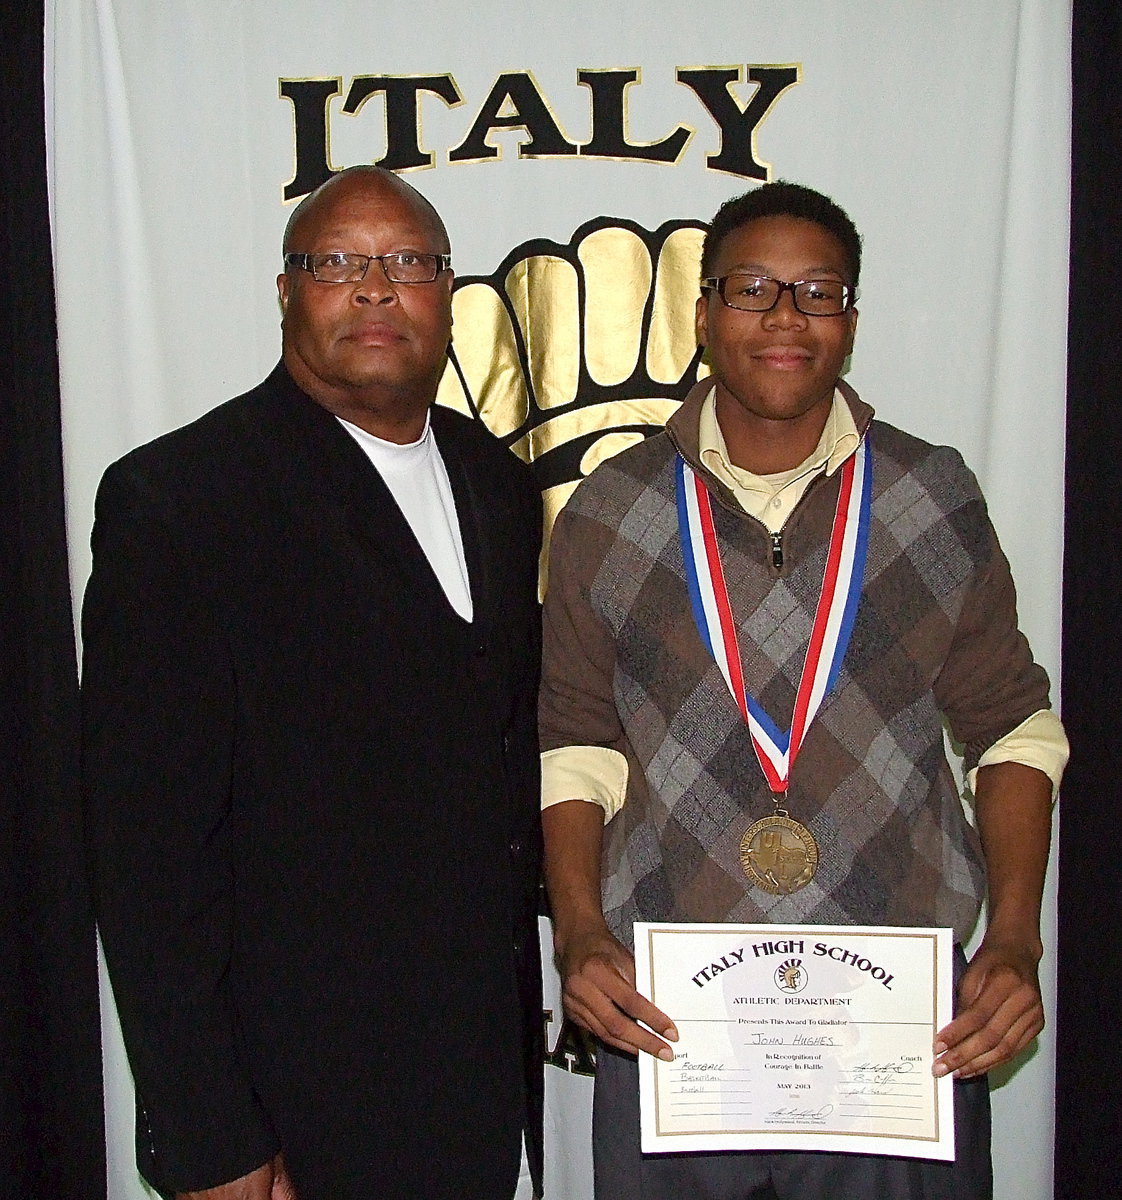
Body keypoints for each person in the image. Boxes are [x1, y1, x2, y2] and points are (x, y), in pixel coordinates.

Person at [539, 181, 1067, 1199]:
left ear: (851, 322)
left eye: (818, 291)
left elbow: (1012, 731)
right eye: (753, 288)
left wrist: (1013, 936)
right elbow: (576, 745)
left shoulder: (930, 497)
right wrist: (580, 932)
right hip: (672, 1030)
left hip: (900, 1037)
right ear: (703, 314)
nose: (786, 315)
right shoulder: (609, 511)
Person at [83, 166, 544, 1200]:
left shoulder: (499, 486)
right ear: (286, 290)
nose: (375, 287)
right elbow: (147, 857)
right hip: (290, 1115)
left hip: (477, 1098)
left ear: (448, 293)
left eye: (407, 262)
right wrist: (209, 1135)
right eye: (337, 262)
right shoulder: (182, 501)